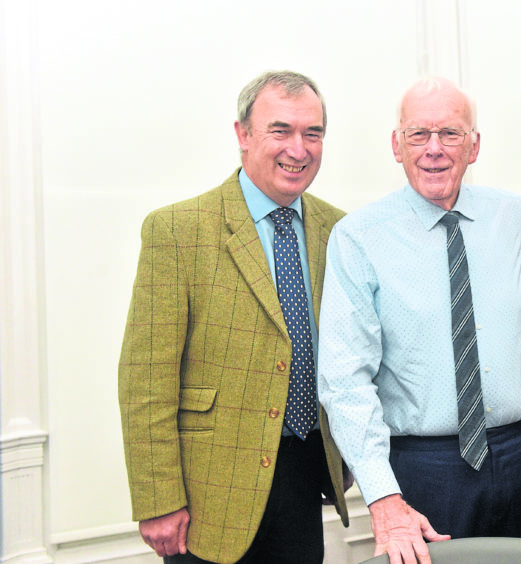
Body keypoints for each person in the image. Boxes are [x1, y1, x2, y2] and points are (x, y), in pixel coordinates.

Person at [118, 70, 350, 564]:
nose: (299, 148)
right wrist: (159, 500)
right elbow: (146, 379)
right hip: (208, 496)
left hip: (306, 475)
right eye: (280, 130)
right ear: (243, 135)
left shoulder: (339, 229)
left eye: (313, 133)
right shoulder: (178, 231)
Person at [317, 76, 521, 564]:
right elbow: (344, 381)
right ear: (396, 146)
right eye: (418, 134)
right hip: (424, 468)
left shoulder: (515, 217)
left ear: (475, 145)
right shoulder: (358, 238)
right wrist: (382, 496)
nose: (435, 149)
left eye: (451, 133)